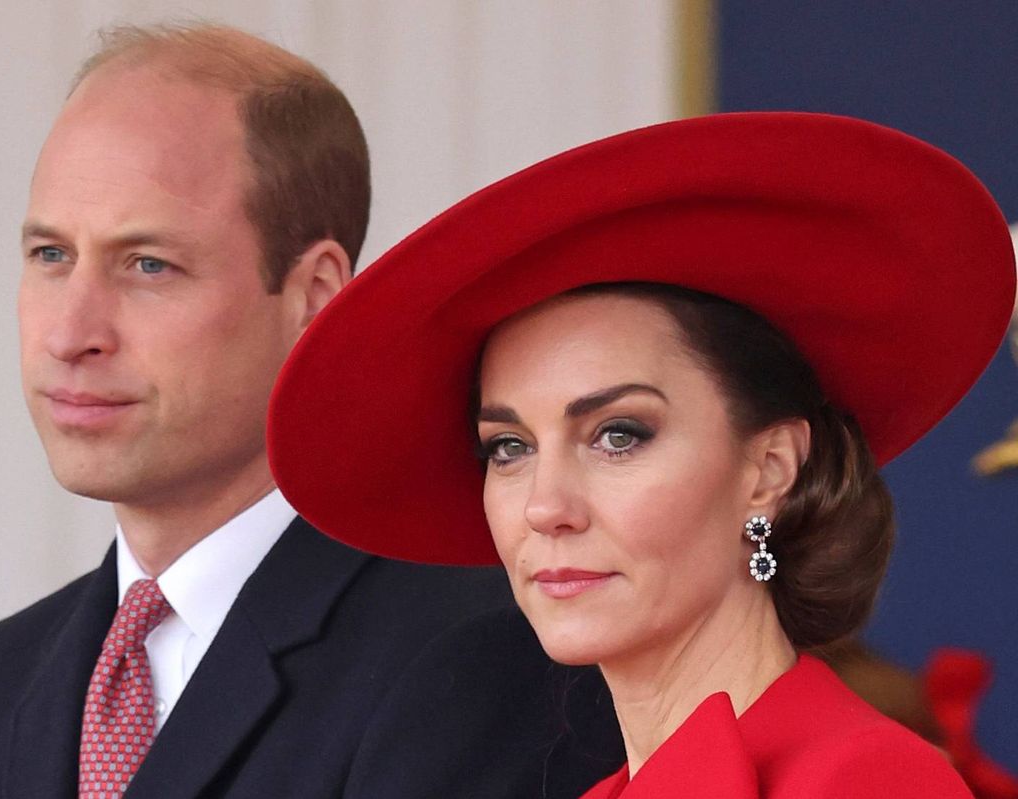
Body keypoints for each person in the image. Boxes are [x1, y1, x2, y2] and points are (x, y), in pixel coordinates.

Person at [0, 23, 621, 799]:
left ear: (315, 297)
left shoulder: (476, 657)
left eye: (148, 265)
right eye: (51, 256)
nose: (72, 334)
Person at [267, 112, 1016, 797]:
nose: (545, 506)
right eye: (508, 446)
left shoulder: (865, 781)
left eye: (618, 434)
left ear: (770, 469)